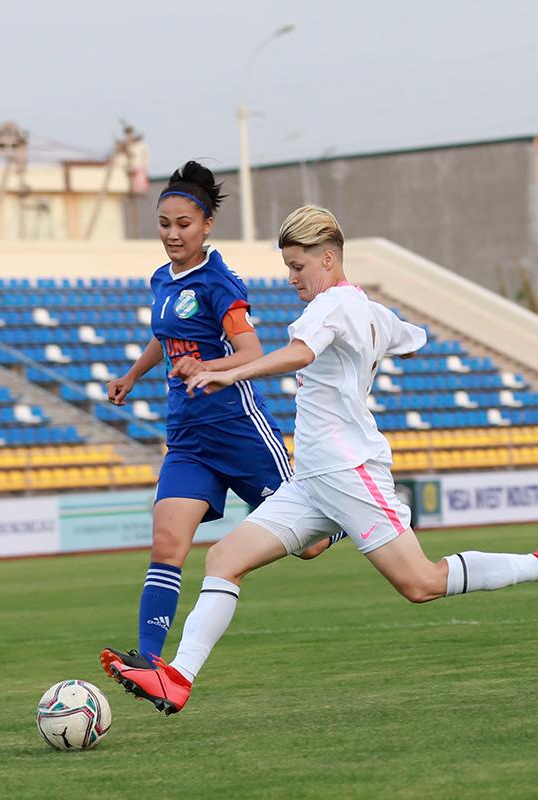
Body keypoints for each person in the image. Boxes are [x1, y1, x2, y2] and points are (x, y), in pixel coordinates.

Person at [102, 205, 538, 715]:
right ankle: (178, 679)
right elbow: (411, 339)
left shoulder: (329, 307)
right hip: (312, 479)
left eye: (298, 267)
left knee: (421, 583)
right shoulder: (364, 308)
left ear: (328, 257)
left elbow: (299, 353)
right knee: (225, 559)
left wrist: (232, 373)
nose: (292, 278)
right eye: (288, 268)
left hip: (348, 471)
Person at [102, 164, 339, 670]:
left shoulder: (219, 282)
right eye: (164, 223)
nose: (171, 233)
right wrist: (133, 375)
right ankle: (147, 664)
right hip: (187, 437)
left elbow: (251, 349)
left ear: (206, 224)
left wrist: (206, 365)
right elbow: (165, 337)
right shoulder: (161, 280)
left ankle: (349, 511)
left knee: (311, 546)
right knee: (167, 542)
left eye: (183, 224)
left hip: (239, 431)